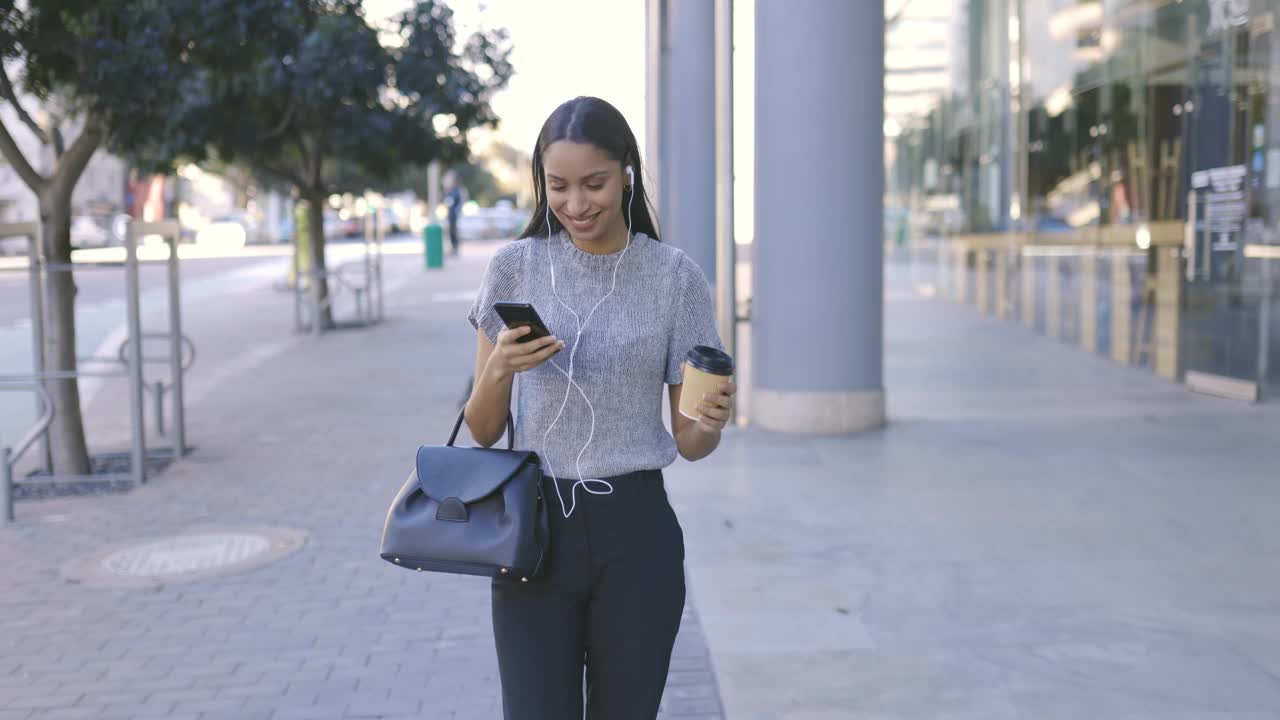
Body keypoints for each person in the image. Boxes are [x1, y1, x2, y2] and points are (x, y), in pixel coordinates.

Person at [464, 96, 736, 720]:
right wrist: (501, 367)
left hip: (637, 532)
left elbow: (691, 441)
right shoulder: (513, 268)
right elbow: (482, 431)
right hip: (532, 532)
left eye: (595, 184)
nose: (577, 204)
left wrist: (711, 420)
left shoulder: (675, 278)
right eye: (558, 186)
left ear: (627, 174)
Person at [444, 170, 467, 256]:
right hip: (450, 214)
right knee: (450, 232)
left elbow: (459, 202)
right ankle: (452, 248)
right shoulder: (448, 191)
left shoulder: (457, 190)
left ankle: (455, 248)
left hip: (455, 215)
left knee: (454, 232)